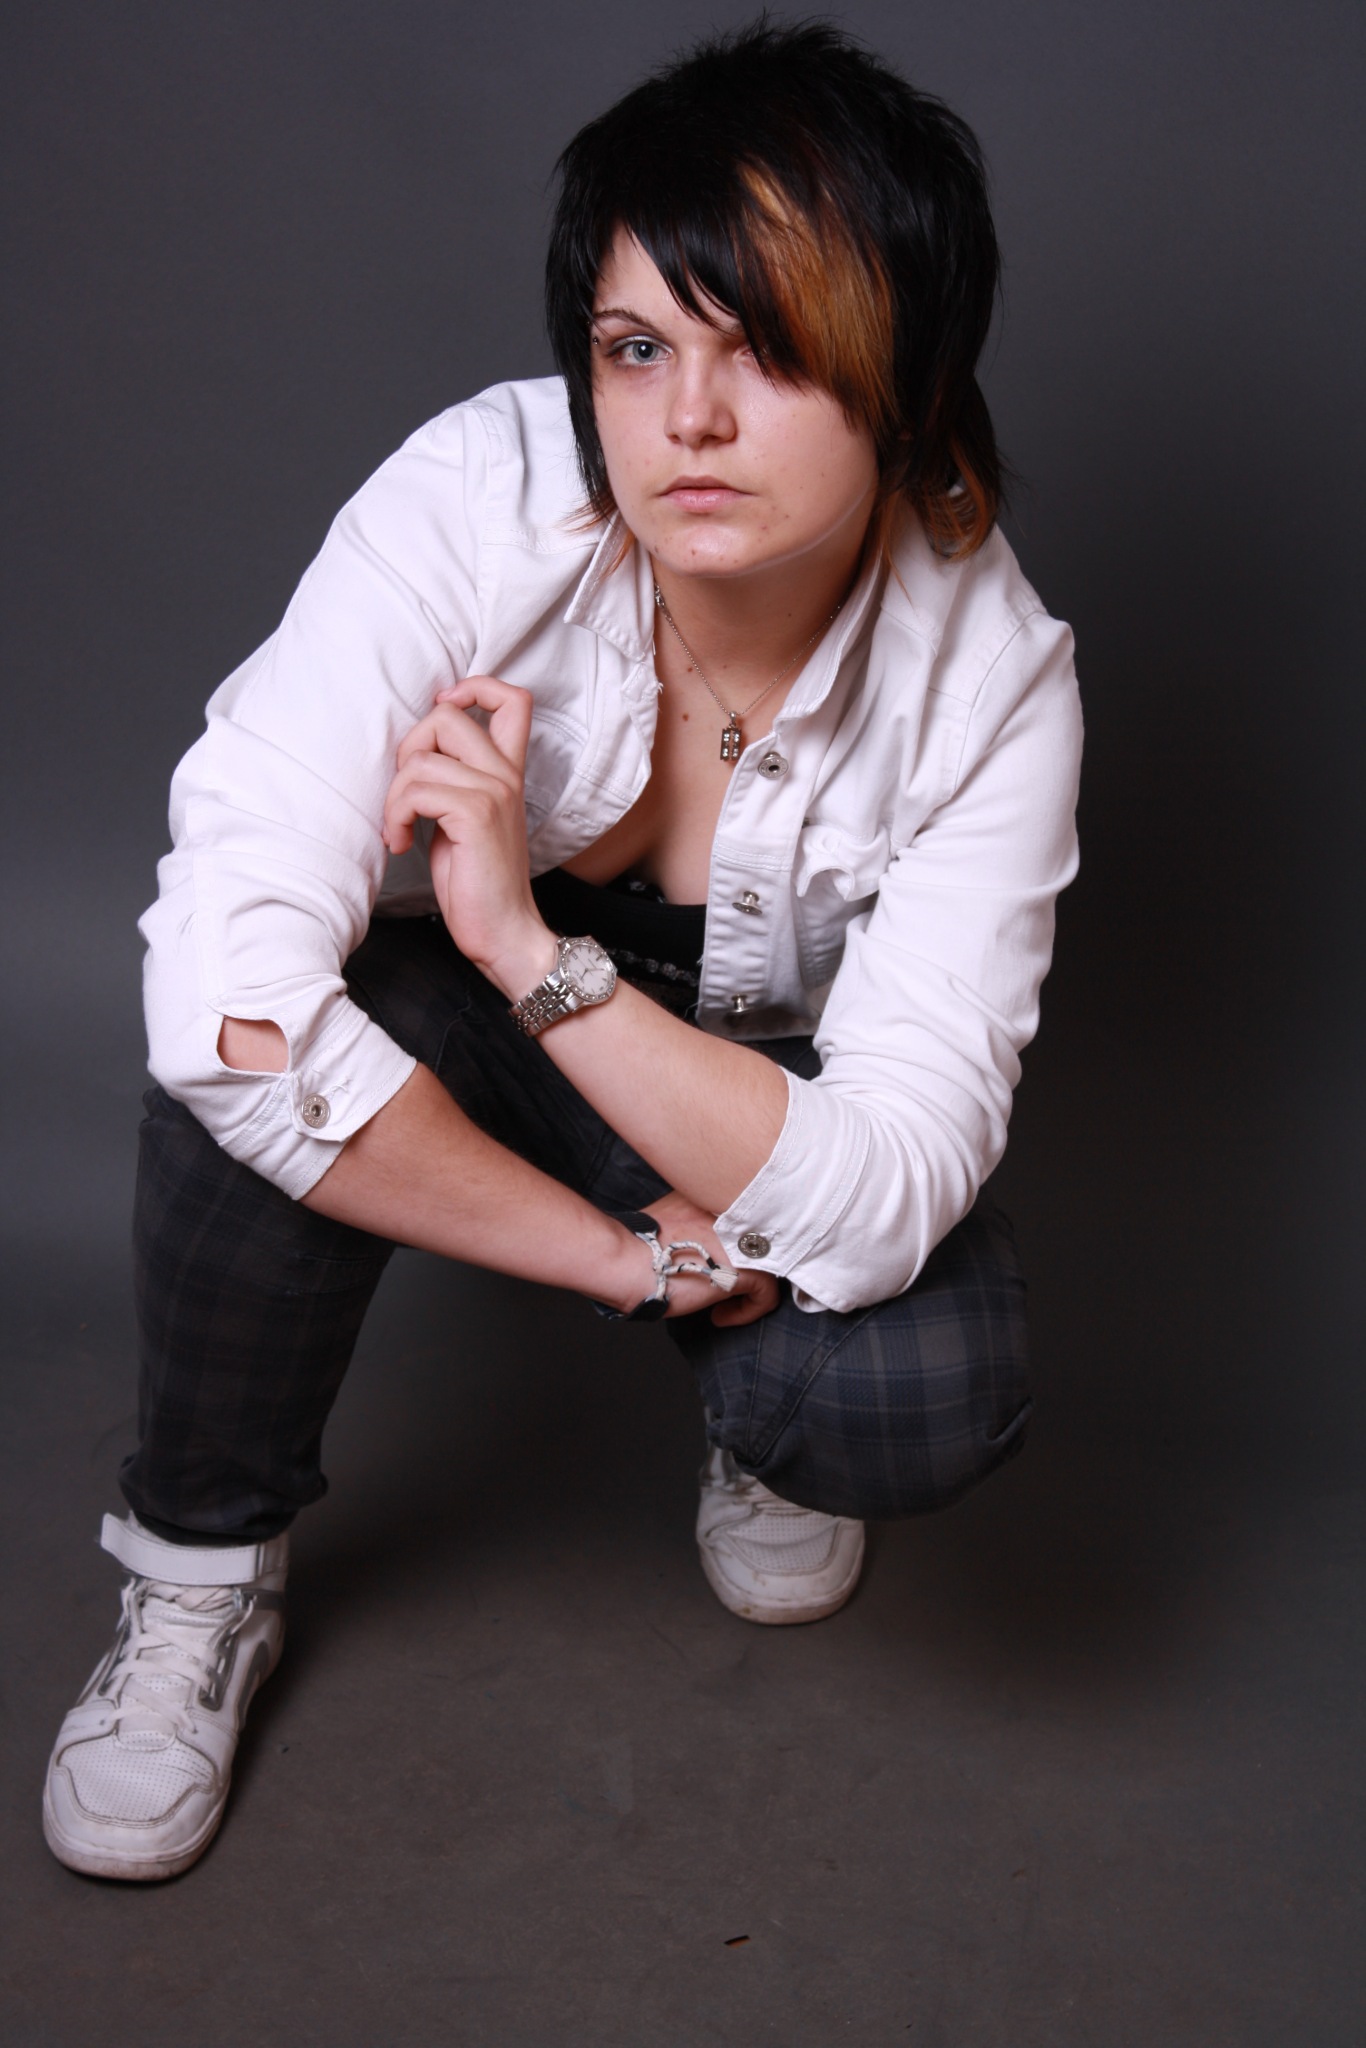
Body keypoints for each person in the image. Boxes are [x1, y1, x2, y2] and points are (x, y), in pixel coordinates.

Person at [42, 19, 1082, 1881]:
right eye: (636, 347)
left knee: (908, 1392)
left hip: (742, 1082)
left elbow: (890, 1183)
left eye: (772, 350)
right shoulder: (475, 500)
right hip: (469, 1029)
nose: (688, 420)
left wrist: (526, 938)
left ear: (909, 375)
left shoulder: (992, 674)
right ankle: (200, 1570)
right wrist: (623, 1259)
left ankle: (758, 1422)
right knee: (259, 1075)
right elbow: (229, 1001)